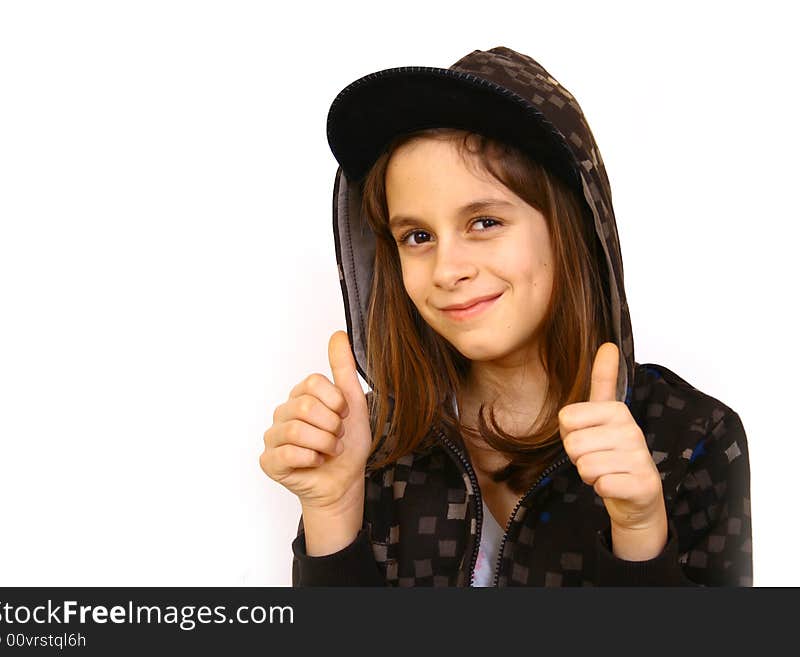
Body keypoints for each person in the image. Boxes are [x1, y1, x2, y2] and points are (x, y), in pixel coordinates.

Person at [259, 46, 752, 586]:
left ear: (570, 228)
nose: (447, 269)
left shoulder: (693, 438)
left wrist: (639, 533)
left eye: (484, 222)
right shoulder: (370, 443)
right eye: (418, 236)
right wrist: (332, 513)